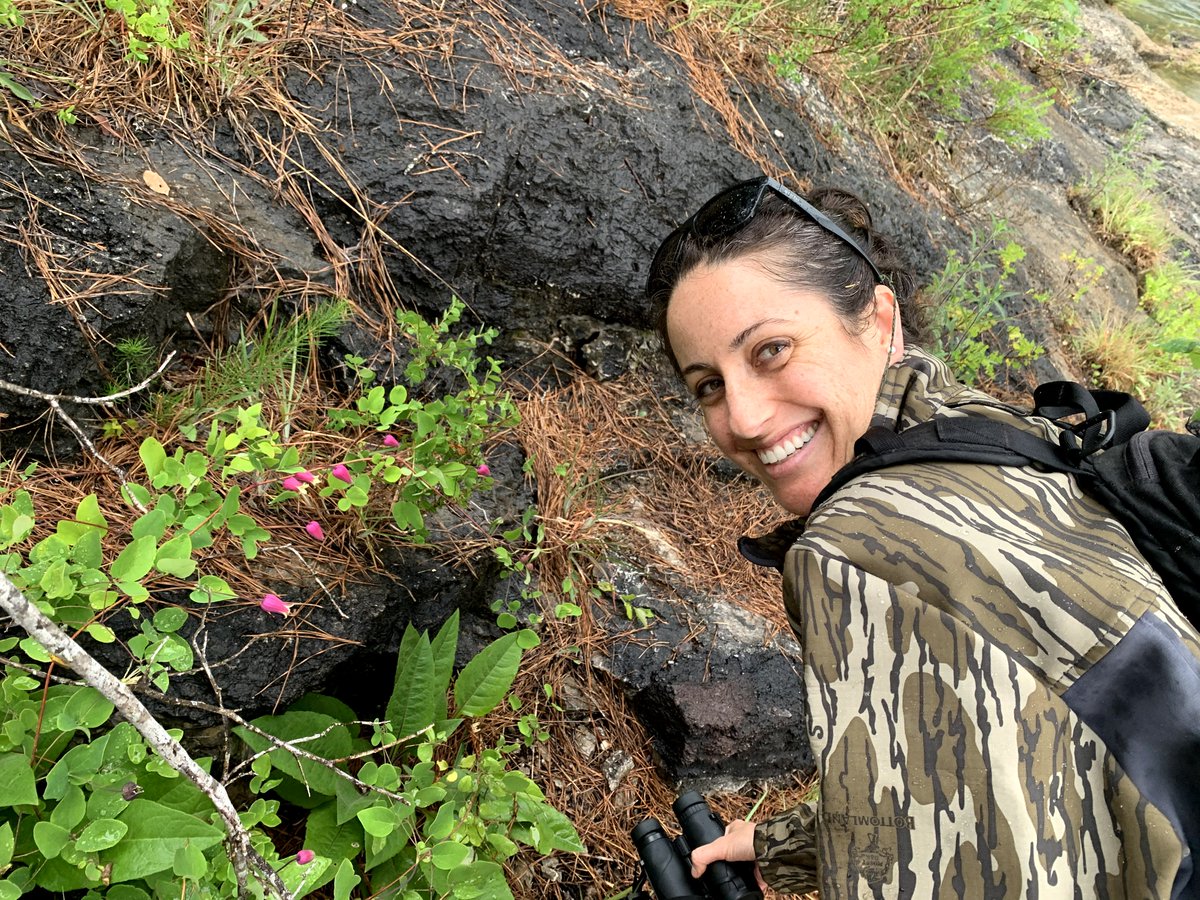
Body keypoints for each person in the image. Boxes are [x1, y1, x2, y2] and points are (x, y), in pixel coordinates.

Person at [646, 174, 1200, 898]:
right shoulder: (991, 434)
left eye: (771, 350)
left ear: (878, 319)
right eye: (708, 386)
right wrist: (790, 845)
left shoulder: (853, 549)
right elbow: (1041, 747)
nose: (743, 418)